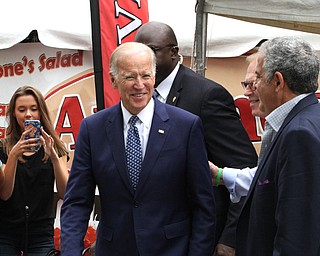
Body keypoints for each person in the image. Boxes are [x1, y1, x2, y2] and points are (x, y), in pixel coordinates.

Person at [60, 42, 216, 255]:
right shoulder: (93, 129)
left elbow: (203, 206)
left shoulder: (186, 127)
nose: (139, 84)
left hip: (172, 250)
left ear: (154, 77)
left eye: (146, 76)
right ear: (114, 80)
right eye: (130, 77)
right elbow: (77, 202)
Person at [134, 21, 257, 255]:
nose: (143, 59)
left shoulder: (206, 95)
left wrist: (230, 237)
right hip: (154, 236)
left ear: (173, 53)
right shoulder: (140, 98)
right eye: (138, 51)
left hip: (202, 237)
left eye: (151, 51)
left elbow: (244, 168)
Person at [236, 36, 320, 255]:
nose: (252, 87)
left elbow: (297, 236)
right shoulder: (309, 118)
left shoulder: (299, 134)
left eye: (258, 78)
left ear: (278, 82)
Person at [0, 85, 69, 255]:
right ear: (14, 114)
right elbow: (4, 193)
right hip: (6, 231)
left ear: (41, 112)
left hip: (41, 232)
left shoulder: (55, 146)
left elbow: (65, 193)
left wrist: (53, 157)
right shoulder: (4, 146)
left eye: (33, 109)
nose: (28, 114)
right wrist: (14, 155)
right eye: (21, 109)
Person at [210, 54, 263, 203]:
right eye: (245, 84)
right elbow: (266, 177)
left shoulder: (298, 130)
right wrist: (220, 175)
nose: (246, 92)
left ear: (277, 82)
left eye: (253, 84)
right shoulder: (279, 125)